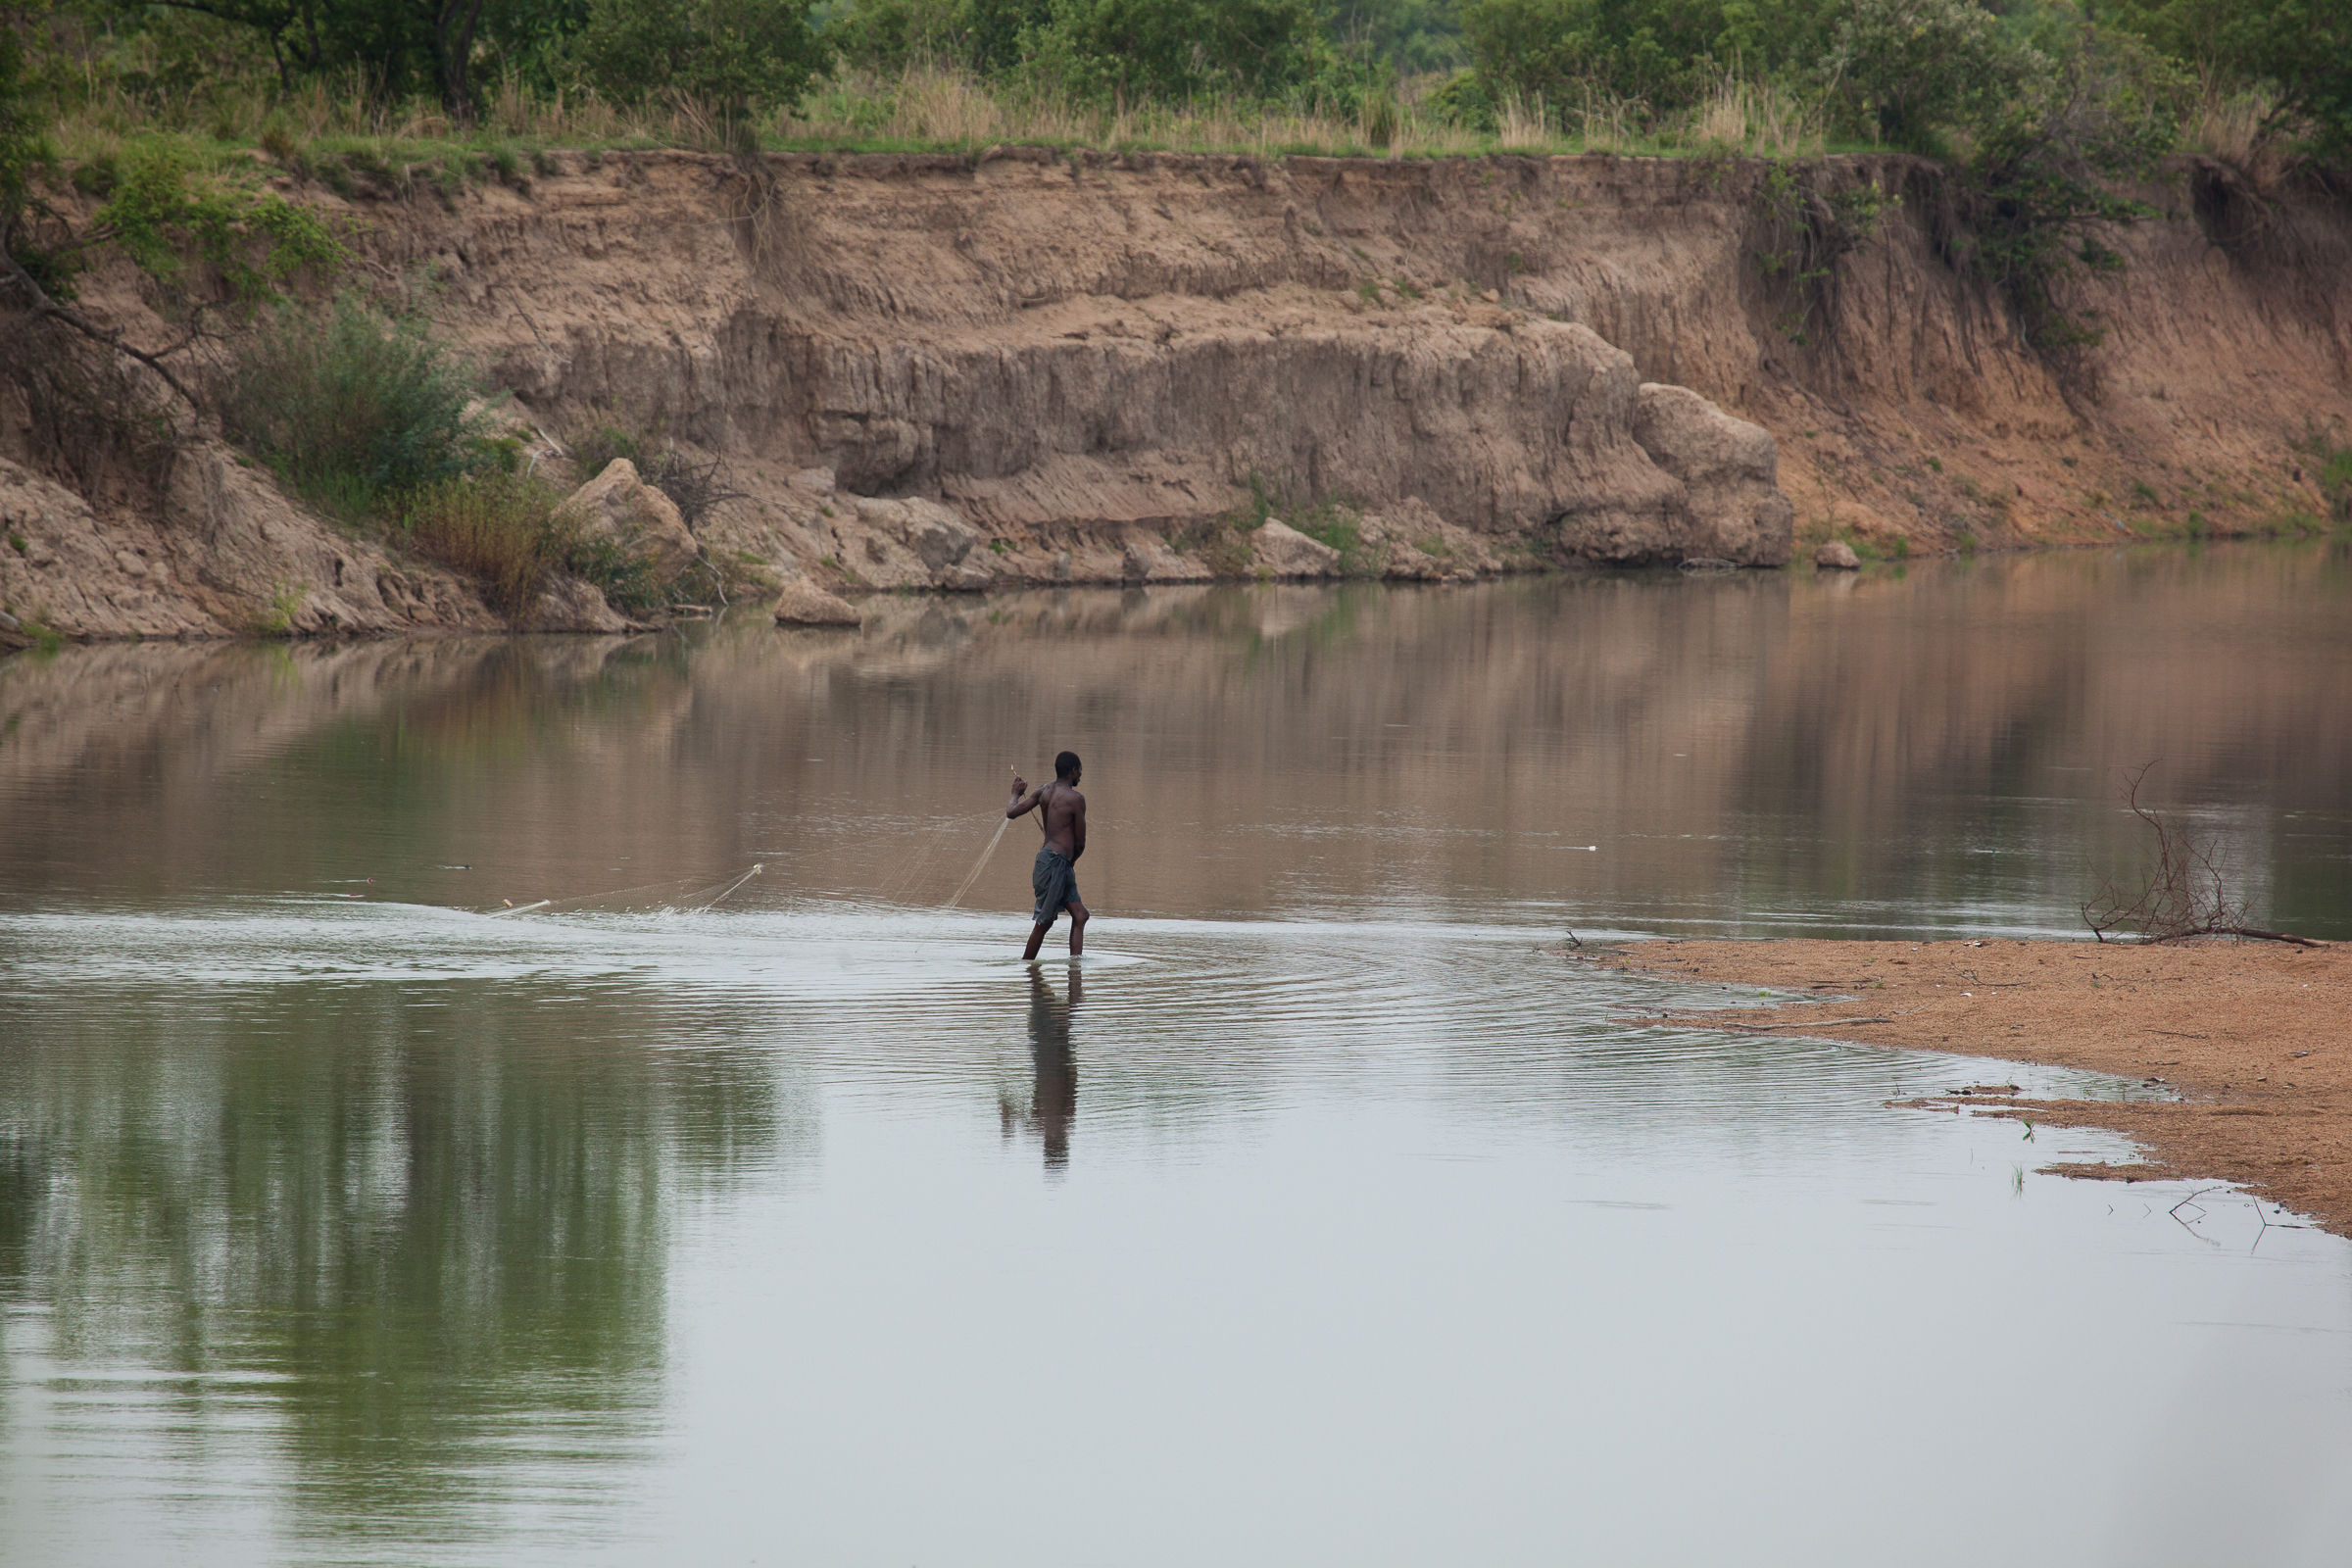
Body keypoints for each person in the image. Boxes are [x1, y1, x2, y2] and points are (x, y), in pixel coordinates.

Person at [1006, 752, 1088, 959]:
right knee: (1044, 922)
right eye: (1079, 770)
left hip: (1049, 860)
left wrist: (1016, 793)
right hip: (1057, 864)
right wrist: (1072, 862)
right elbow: (1080, 841)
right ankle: (1027, 968)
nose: (1081, 774)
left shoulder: (1043, 791)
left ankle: (1075, 972)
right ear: (1072, 771)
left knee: (1080, 915)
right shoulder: (1076, 799)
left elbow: (1012, 812)